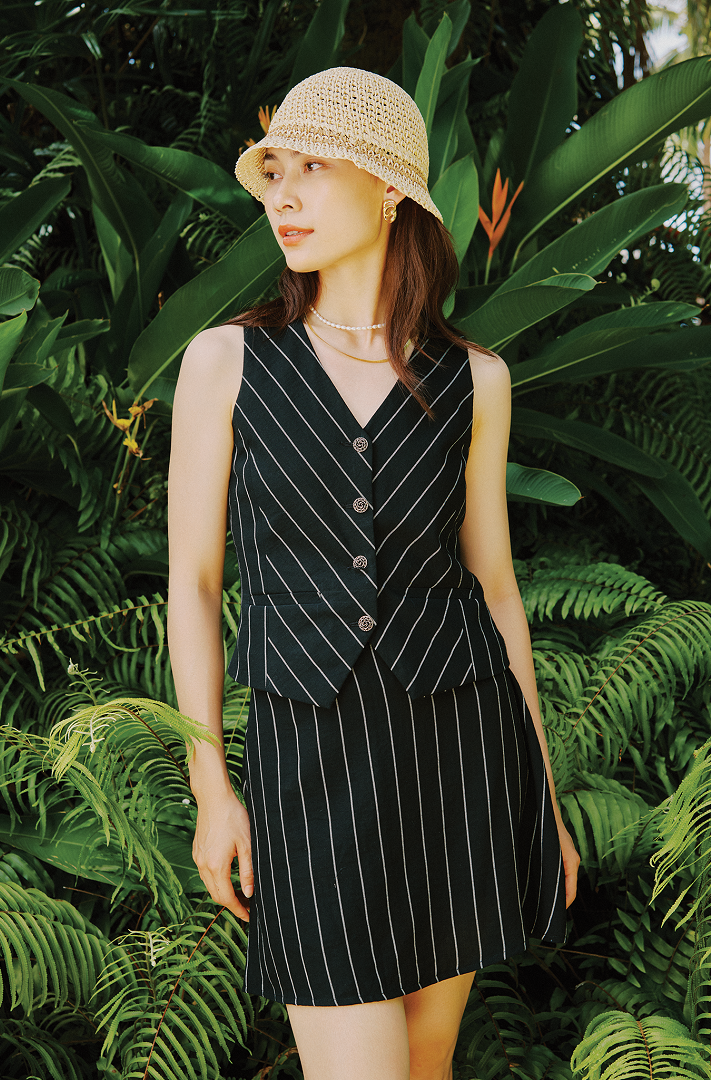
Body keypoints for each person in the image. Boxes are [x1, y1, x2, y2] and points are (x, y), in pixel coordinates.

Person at [167, 66, 580, 1080]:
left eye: (312, 168)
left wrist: (540, 796)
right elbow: (194, 584)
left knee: (426, 1068)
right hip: (307, 769)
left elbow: (493, 589)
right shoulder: (225, 363)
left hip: (457, 758)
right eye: (274, 173)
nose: (284, 196)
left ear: (390, 189)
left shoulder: (475, 379)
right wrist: (211, 786)